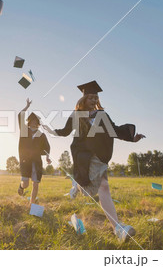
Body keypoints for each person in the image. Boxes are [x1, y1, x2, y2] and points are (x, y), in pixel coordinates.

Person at [43, 80, 145, 242]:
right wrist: (51, 130)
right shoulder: (77, 116)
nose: (94, 101)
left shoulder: (102, 115)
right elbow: (65, 131)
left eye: (96, 98)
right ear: (83, 100)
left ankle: (118, 229)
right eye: (90, 98)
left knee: (103, 186)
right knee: (89, 189)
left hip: (99, 155)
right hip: (83, 156)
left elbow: (115, 130)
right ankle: (76, 184)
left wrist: (132, 138)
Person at [17, 98, 51, 204]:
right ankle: (21, 186)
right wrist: (27, 106)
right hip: (25, 160)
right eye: (32, 121)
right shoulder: (24, 131)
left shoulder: (41, 135)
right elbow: (20, 115)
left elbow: (47, 147)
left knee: (35, 184)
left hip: (36, 161)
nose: (34, 123)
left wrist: (47, 157)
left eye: (36, 122)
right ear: (29, 122)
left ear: (38, 124)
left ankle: (31, 204)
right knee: (26, 184)